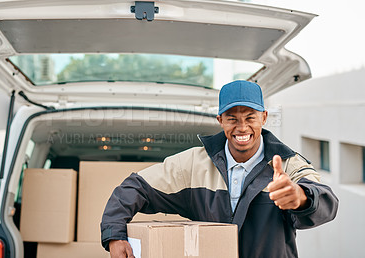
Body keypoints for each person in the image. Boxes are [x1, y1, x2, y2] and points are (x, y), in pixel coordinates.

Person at [100, 80, 339, 258]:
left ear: (264, 117)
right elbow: (134, 187)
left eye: (250, 117)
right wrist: (114, 235)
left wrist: (301, 197)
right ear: (220, 121)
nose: (242, 127)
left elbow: (327, 202)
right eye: (232, 118)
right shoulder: (193, 164)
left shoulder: (287, 164)